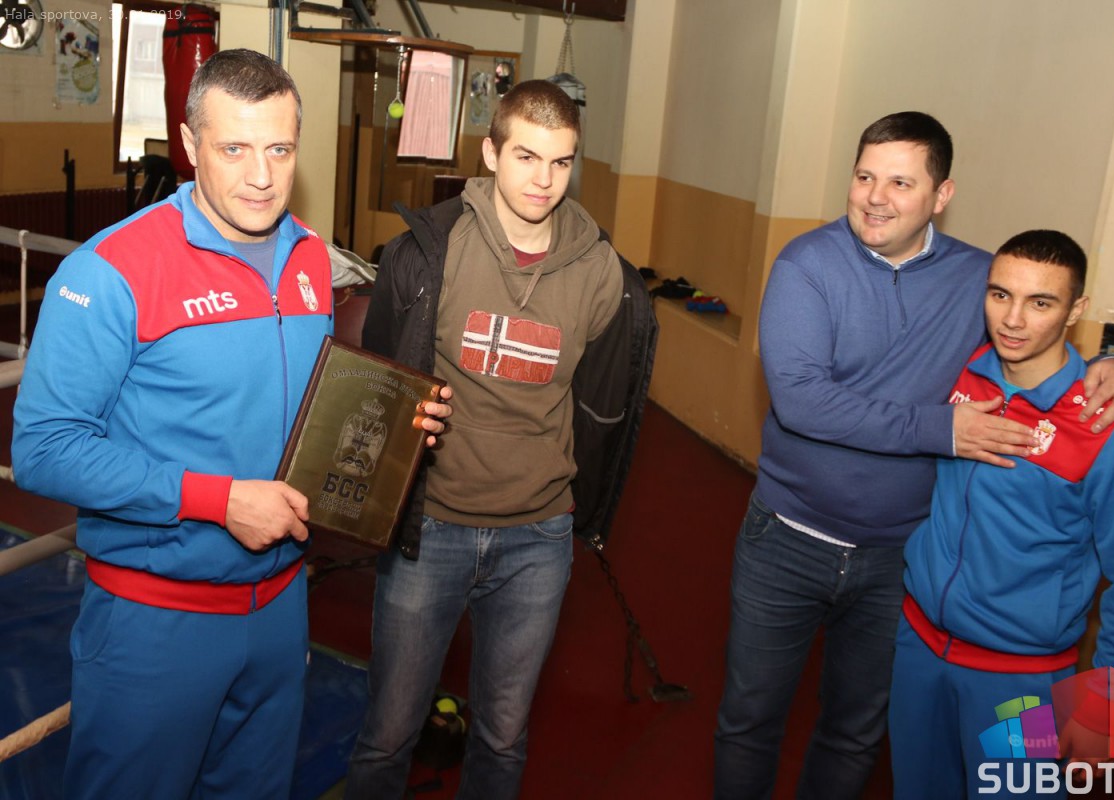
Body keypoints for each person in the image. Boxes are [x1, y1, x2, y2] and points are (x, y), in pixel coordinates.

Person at [11, 49, 449, 799]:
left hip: (279, 608)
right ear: (190, 144)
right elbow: (44, 450)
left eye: (279, 149)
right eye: (235, 148)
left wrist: (395, 424)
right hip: (155, 617)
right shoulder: (111, 270)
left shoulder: (310, 258)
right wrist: (217, 501)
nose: (261, 176)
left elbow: (301, 411)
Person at [712, 112, 1114, 800]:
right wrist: (942, 429)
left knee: (856, 731)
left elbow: (1037, 327)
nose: (875, 197)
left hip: (919, 580)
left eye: (900, 182)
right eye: (864, 176)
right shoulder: (808, 264)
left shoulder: (981, 282)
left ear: (941, 195)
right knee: (752, 720)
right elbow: (799, 400)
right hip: (798, 546)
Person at [344, 80, 656, 799]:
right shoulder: (428, 255)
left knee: (504, 738)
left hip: (537, 538)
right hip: (431, 527)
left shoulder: (601, 275)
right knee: (387, 735)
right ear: (489, 154)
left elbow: (602, 405)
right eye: (526, 157)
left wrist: (576, 506)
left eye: (560, 162)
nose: (543, 179)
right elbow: (383, 384)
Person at [889, 230, 1114, 798]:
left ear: (1075, 311)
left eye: (1040, 302)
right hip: (919, 649)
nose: (1012, 320)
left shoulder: (1109, 427)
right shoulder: (962, 369)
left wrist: (1107, 717)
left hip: (1021, 683)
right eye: (1000, 295)